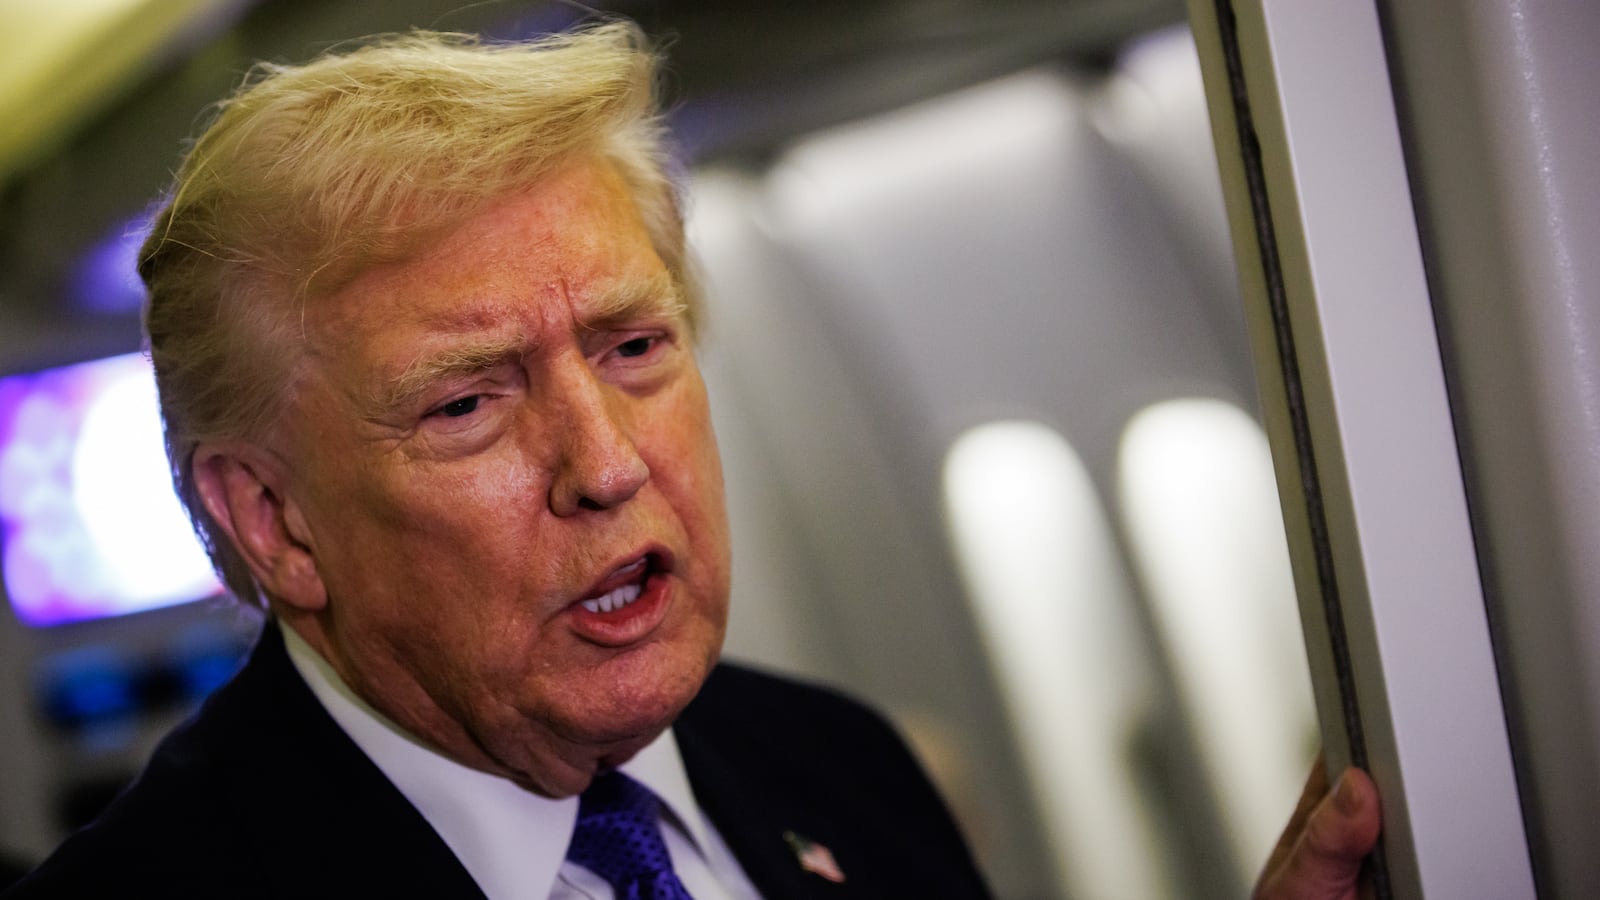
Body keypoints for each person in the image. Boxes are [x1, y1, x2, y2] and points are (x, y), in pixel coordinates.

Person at [2, 22, 1378, 900]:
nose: (604, 465)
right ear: (274, 523)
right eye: (470, 404)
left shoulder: (840, 770)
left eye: (633, 347)